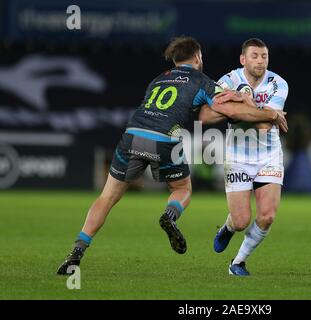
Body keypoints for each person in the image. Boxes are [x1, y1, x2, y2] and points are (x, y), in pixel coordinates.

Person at [57, 36, 288, 275]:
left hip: (132, 135)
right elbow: (227, 110)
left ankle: (76, 252)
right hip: (164, 139)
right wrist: (270, 115)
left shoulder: (159, 79)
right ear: (198, 58)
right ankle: (170, 214)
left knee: (106, 198)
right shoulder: (202, 80)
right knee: (182, 189)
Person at [207, 38, 289, 275]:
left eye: (264, 56)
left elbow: (264, 127)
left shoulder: (278, 83)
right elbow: (223, 112)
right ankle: (228, 228)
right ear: (243, 59)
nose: (260, 61)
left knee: (267, 216)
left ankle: (238, 262)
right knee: (241, 220)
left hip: (269, 155)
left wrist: (243, 105)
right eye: (254, 56)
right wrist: (265, 114)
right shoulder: (228, 81)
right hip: (238, 156)